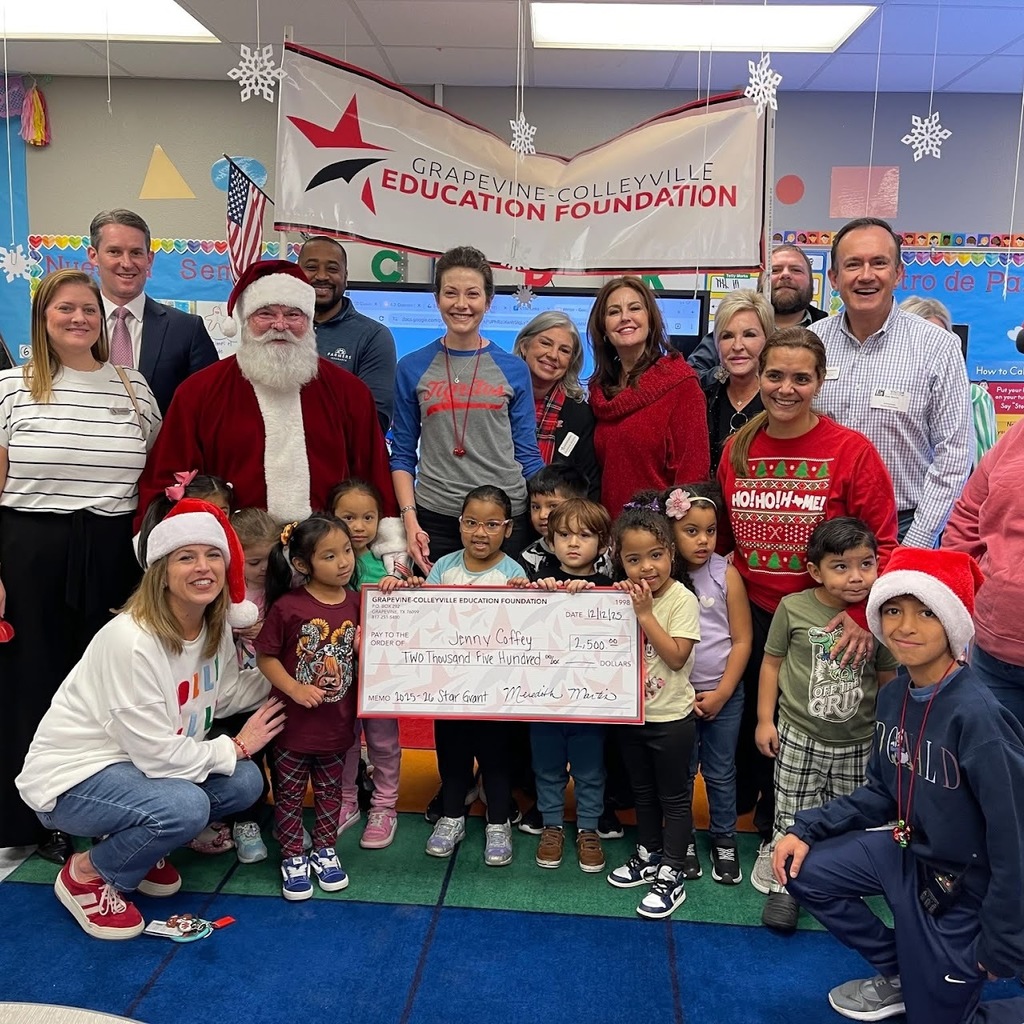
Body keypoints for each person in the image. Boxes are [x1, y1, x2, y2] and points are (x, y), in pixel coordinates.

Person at [774, 548, 1024, 1024]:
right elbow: (881, 792)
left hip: (962, 884)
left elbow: (1013, 841)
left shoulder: (981, 719)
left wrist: (1004, 938)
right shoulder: (894, 695)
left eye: (926, 612)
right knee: (803, 870)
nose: (905, 626)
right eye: (893, 610)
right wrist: (805, 829)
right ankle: (903, 971)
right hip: (906, 850)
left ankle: (936, 979)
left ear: (952, 622)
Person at [15, 499, 284, 940]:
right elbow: (158, 757)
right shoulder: (131, 639)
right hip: (73, 779)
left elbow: (229, 692)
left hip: (135, 768)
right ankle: (86, 873)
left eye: (213, 554)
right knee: (187, 805)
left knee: (245, 783)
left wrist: (292, 678)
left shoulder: (210, 626)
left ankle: (133, 848)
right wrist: (235, 746)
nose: (204, 567)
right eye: (186, 557)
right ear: (160, 570)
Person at [717, 326, 899, 893]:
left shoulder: (852, 452)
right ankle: (771, 836)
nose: (786, 388)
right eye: (775, 375)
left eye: (801, 377)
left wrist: (863, 611)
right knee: (766, 733)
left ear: (820, 382)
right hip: (755, 616)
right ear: (757, 377)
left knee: (828, 737)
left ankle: (827, 849)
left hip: (831, 625)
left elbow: (886, 545)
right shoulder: (737, 448)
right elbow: (726, 535)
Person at [0, 268, 161, 863]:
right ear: (42, 318)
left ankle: (103, 811)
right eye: (64, 309)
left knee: (108, 689)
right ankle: (26, 819)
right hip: (28, 548)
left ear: (103, 318)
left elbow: (154, 478)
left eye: (88, 310)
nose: (78, 319)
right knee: (30, 683)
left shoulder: (132, 388)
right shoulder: (11, 388)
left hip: (112, 550)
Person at [137, 260, 396, 525]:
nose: (280, 325)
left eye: (293, 315)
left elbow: (372, 476)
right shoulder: (198, 393)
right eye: (266, 314)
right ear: (246, 320)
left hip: (327, 556)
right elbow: (167, 478)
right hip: (233, 554)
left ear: (309, 321)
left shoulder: (350, 394)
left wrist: (387, 536)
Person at [756, 517, 897, 933]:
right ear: (815, 570)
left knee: (847, 815)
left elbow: (888, 681)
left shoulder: (879, 617)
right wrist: (766, 719)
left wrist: (887, 738)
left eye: (866, 564)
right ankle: (785, 885)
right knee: (791, 808)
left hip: (858, 741)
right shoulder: (793, 608)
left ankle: (837, 877)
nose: (856, 577)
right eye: (841, 566)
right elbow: (771, 663)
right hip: (799, 735)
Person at [809, 218, 972, 547]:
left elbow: (954, 454)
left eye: (879, 263)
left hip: (904, 525)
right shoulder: (812, 343)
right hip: (821, 525)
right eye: (853, 264)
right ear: (834, 278)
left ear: (898, 274)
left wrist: (919, 539)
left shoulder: (937, 346)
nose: (866, 275)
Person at [391, 245, 545, 572]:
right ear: (437, 299)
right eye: (450, 293)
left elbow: (527, 453)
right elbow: (403, 453)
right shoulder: (411, 367)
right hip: (436, 518)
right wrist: (410, 520)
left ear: (488, 302)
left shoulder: (513, 369)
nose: (461, 304)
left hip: (504, 519)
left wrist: (555, 509)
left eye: (472, 294)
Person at [414, 486, 528, 867]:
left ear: (508, 529)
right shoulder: (445, 568)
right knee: (452, 755)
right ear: (459, 524)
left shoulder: (514, 573)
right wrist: (409, 593)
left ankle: (498, 823)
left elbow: (526, 629)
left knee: (496, 759)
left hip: (496, 691)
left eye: (492, 524)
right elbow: (424, 618)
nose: (481, 532)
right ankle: (451, 818)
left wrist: (524, 597)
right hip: (448, 689)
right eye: (472, 523)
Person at [606, 491, 701, 920]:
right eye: (634, 559)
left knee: (674, 798)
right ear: (620, 562)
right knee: (642, 793)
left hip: (671, 720)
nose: (647, 567)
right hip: (632, 714)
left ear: (671, 554)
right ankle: (649, 854)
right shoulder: (619, 594)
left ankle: (674, 871)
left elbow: (677, 656)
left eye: (656, 555)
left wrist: (645, 614)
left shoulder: (681, 598)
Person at [255, 515, 360, 901]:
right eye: (330, 556)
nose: (344, 561)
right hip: (292, 728)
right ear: (302, 565)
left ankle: (325, 850)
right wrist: (294, 688)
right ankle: (292, 856)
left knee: (332, 794)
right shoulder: (289, 607)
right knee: (289, 795)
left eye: (347, 551)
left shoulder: (357, 602)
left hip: (337, 725)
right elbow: (265, 657)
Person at [664, 481, 752, 886]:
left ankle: (724, 839)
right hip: (674, 696)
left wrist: (722, 693)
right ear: (671, 532)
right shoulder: (663, 580)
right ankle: (679, 840)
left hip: (723, 694)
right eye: (691, 531)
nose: (703, 540)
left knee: (719, 771)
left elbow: (742, 640)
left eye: (711, 531)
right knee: (680, 773)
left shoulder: (726, 575)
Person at [528, 498, 614, 874]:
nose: (573, 543)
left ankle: (589, 829)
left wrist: (597, 592)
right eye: (563, 535)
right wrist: (530, 590)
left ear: (603, 542)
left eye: (584, 535)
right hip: (542, 698)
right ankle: (551, 825)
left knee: (590, 770)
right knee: (547, 767)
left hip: (590, 702)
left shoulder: (613, 589)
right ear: (551, 539)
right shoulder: (539, 580)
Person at [588, 276, 710, 519]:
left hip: (658, 540)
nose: (625, 317)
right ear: (603, 329)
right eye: (614, 311)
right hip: (613, 537)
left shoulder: (681, 385)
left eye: (635, 308)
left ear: (651, 321)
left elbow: (693, 476)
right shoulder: (601, 392)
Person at [329, 479, 403, 850]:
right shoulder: (324, 562)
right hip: (337, 673)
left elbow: (410, 609)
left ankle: (384, 806)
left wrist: (400, 583)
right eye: (348, 517)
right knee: (344, 739)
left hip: (379, 672)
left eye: (368, 517)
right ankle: (346, 801)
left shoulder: (389, 562)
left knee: (383, 740)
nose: (358, 526)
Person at [87, 209, 218, 415]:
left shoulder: (186, 329)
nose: (127, 263)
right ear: (93, 256)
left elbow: (211, 407)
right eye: (114, 251)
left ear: (150, 259)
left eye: (136, 253)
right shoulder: (73, 327)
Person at [943, 418, 1024, 724]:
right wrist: (954, 607)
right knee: (993, 764)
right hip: (993, 649)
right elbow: (968, 515)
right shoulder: (1017, 434)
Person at [218, 505, 281, 865]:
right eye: (253, 561)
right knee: (247, 755)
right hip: (235, 693)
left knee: (282, 753)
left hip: (274, 687)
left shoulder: (284, 588)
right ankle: (246, 822)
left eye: (268, 559)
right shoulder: (224, 593)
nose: (262, 568)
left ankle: (283, 817)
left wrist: (268, 631)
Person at [688, 244, 828, 384]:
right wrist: (728, 372)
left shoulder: (829, 331)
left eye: (796, 270)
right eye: (775, 270)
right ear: (760, 282)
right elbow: (693, 374)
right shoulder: (733, 327)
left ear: (811, 282)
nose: (785, 275)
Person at [298, 236, 397, 433]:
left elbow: (375, 421)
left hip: (341, 460)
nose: (322, 276)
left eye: (333, 269)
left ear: (345, 276)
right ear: (296, 273)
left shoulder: (373, 337)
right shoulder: (279, 330)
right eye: (311, 267)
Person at [512, 310, 601, 499]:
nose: (553, 355)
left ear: (571, 362)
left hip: (557, 522)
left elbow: (589, 486)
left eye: (564, 350)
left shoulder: (580, 414)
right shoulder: (499, 398)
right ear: (524, 346)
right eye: (545, 343)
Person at [900, 296, 997, 468]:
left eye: (942, 338)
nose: (936, 348)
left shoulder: (974, 397)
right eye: (926, 340)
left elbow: (985, 469)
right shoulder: (878, 388)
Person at [701, 290, 772, 472]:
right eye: (727, 336)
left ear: (768, 339)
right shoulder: (703, 396)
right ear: (716, 344)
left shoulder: (779, 399)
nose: (737, 346)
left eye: (749, 335)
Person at [519, 463, 591, 581]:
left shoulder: (599, 553)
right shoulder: (529, 557)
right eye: (536, 507)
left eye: (553, 506)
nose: (542, 515)